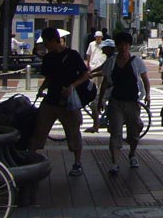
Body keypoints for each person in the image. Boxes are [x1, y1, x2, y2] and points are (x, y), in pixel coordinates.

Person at [30, 27, 90, 177]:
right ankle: (29, 160)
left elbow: (85, 75)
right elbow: (49, 77)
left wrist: (72, 86)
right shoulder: (48, 58)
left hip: (68, 103)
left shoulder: (73, 55)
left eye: (46, 42)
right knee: (38, 130)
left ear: (53, 40)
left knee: (73, 132)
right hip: (50, 100)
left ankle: (77, 163)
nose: (45, 46)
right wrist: (41, 89)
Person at [99, 31, 150, 175]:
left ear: (129, 45)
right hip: (115, 101)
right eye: (120, 45)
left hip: (132, 102)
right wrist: (101, 99)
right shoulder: (111, 62)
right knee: (115, 131)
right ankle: (114, 163)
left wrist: (147, 96)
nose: (123, 48)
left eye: (126, 45)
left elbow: (145, 79)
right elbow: (105, 82)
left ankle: (132, 154)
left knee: (133, 133)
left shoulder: (136, 61)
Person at [84, 38, 117, 133]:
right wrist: (90, 72)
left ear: (109, 49)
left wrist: (92, 74)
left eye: (104, 48)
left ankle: (96, 125)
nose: (102, 49)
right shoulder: (110, 59)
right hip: (110, 87)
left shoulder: (112, 60)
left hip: (111, 88)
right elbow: (102, 67)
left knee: (94, 104)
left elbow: (104, 73)